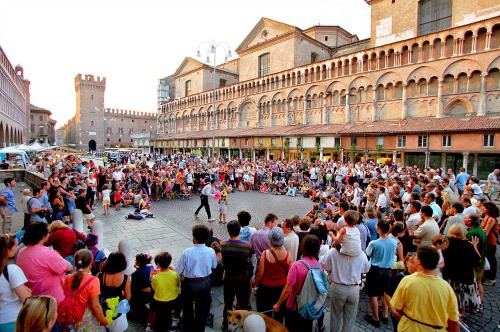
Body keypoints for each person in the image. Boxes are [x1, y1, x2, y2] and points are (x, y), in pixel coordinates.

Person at [390, 246, 459, 332]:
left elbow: (398, 308)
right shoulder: (447, 287)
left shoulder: (408, 281)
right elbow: (454, 322)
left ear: (418, 261)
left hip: (410, 328)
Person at [320, 236, 371, 332]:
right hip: (354, 288)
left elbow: (324, 264)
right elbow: (366, 269)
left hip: (338, 287)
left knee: (335, 316)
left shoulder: (333, 252)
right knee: (350, 319)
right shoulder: (361, 254)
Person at [273, 235, 322, 332]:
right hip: (309, 307)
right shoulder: (319, 266)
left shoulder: (296, 266)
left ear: (303, 247)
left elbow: (287, 289)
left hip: (294, 307)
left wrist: (278, 304)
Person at [175, 225, 217, 332]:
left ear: (194, 238)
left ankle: (187, 328)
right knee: (202, 309)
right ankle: (199, 328)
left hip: (189, 284)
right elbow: (214, 266)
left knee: (187, 308)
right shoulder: (211, 251)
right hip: (205, 283)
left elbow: (178, 270)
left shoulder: (187, 252)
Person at [16, 222, 73, 303]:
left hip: (32, 296)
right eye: (48, 233)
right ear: (43, 236)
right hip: (51, 298)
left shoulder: (21, 252)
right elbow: (68, 267)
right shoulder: (49, 254)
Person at [58, 249, 109, 330]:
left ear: (75, 263)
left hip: (69, 315)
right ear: (91, 262)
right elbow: (95, 306)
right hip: (84, 318)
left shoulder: (67, 278)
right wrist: (102, 319)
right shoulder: (93, 281)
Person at [364, 219, 397, 328]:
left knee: (373, 294)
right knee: (384, 293)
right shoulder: (393, 242)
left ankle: (375, 318)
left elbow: (367, 254)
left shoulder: (374, 243)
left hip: (375, 270)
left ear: (378, 229)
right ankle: (385, 314)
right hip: (387, 270)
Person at [442, 223, 482, 315]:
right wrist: (474, 246)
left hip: (449, 275)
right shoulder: (468, 245)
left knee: (449, 300)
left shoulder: (446, 242)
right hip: (464, 277)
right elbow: (477, 261)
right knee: (461, 303)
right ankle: (460, 317)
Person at [255, 227, 292, 324]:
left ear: (270, 241)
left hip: (266, 287)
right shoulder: (288, 255)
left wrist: (256, 283)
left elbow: (260, 273)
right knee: (279, 312)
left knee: (265, 311)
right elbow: (291, 273)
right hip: (281, 286)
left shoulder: (265, 254)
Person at [220, 220, 252, 330]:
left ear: (228, 231)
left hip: (229, 278)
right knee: (243, 304)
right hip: (242, 278)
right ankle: (244, 325)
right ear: (239, 230)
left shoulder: (223, 245)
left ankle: (225, 324)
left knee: (228, 303)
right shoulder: (247, 246)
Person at [0, 233, 31, 331]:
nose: (17, 248)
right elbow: (27, 299)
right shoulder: (11, 270)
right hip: (11, 320)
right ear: (7, 250)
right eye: (16, 245)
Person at [383, 253, 418, 331]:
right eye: (412, 262)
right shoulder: (400, 277)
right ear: (406, 263)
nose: (415, 266)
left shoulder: (419, 279)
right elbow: (387, 292)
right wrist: (393, 310)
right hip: (399, 314)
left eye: (416, 263)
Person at [151, 251, 180, 332]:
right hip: (173, 300)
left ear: (158, 265)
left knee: (162, 316)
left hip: (160, 301)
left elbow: (154, 288)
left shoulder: (155, 277)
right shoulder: (175, 274)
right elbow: (177, 284)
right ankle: (173, 322)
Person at [130, 253, 153, 322]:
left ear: (138, 263)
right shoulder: (151, 267)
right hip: (150, 292)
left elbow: (133, 289)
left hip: (141, 296)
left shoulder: (136, 274)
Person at [481, 201, 499, 286]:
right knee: (487, 258)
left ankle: (492, 278)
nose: (482, 209)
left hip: (491, 242)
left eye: (484, 208)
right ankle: (485, 276)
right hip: (487, 242)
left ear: (488, 210)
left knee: (491, 259)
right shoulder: (486, 216)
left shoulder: (491, 219)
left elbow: (486, 231)